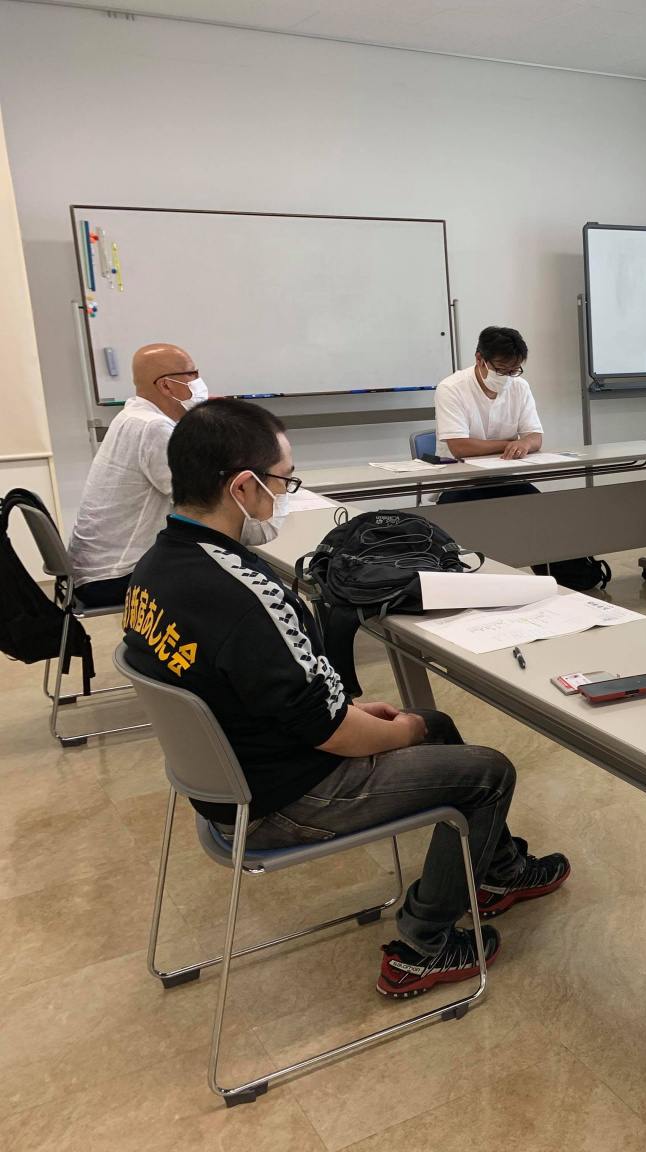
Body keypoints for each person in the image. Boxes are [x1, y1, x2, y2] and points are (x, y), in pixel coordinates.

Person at [123, 398, 569, 998]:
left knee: (436, 723)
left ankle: (498, 872)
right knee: (489, 771)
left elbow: (263, 688)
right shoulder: (246, 597)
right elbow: (331, 734)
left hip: (229, 777)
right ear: (243, 488)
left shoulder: (155, 568)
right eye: (283, 481)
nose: (285, 496)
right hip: (283, 799)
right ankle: (423, 947)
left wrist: (361, 714)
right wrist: (394, 730)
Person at [66, 343, 208, 608]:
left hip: (92, 571)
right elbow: (201, 501)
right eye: (192, 374)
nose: (198, 381)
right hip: (114, 577)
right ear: (166, 385)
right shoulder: (153, 427)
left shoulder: (131, 416)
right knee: (233, 580)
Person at [433, 326, 543, 504]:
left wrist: (525, 443)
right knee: (468, 511)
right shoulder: (451, 388)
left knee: (540, 506)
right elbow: (460, 447)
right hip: (461, 480)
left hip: (504, 477)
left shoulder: (520, 387)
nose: (507, 377)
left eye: (514, 371)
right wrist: (509, 445)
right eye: (501, 370)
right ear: (479, 359)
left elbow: (536, 437)